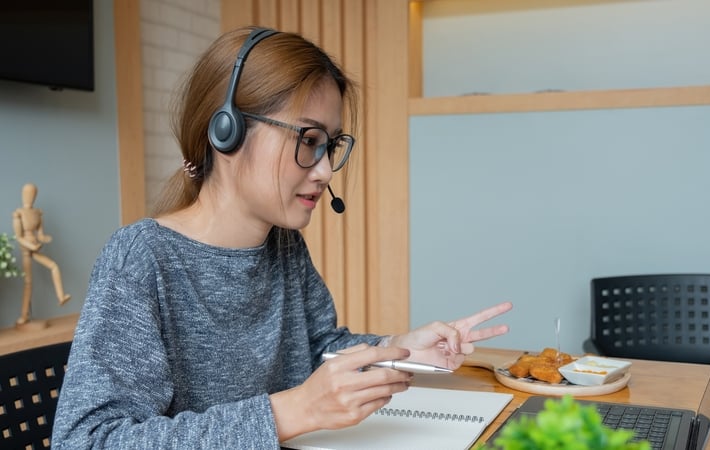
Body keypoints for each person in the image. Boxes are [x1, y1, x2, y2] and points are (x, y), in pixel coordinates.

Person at [51, 26, 512, 449]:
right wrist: (291, 411)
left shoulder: (282, 245)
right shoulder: (143, 258)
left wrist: (401, 349)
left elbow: (315, 352)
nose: (326, 169)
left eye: (329, 145)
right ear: (225, 131)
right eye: (309, 139)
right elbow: (88, 440)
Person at [12, 182, 71, 326]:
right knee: (28, 283)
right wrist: (31, 244)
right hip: (26, 250)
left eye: (32, 194)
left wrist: (44, 239)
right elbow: (18, 237)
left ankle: (61, 296)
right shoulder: (18, 213)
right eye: (27, 193)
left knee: (54, 266)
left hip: (36, 248)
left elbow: (40, 234)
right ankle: (24, 315)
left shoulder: (37, 213)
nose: (30, 197)